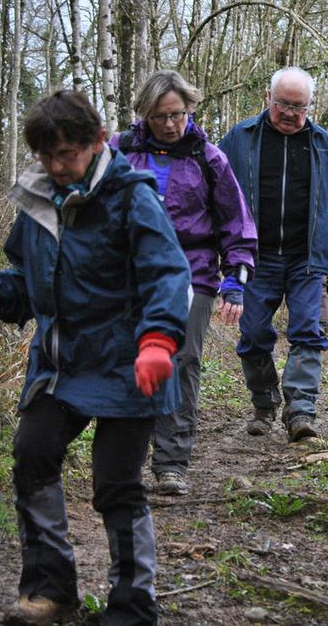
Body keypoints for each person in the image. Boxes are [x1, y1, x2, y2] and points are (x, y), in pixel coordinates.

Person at [0, 90, 190, 624]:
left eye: (67, 154)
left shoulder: (133, 196)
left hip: (131, 362)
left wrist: (157, 342)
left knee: (117, 482)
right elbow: (29, 283)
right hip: (62, 365)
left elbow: (167, 273)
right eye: (46, 156)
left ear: (95, 143)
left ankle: (133, 605)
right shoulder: (38, 200)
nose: (56, 167)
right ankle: (51, 590)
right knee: (33, 453)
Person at [112, 70, 257, 496]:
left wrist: (236, 278)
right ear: (145, 115)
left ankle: (171, 462)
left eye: (179, 114)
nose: (172, 124)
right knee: (128, 361)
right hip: (130, 274)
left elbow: (236, 224)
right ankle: (125, 457)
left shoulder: (209, 159)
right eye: (161, 117)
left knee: (181, 361)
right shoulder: (120, 152)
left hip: (192, 274)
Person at [219, 66, 328, 442]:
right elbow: (218, 197)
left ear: (310, 106)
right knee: (254, 333)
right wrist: (221, 254)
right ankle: (264, 404)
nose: (291, 113)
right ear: (269, 98)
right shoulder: (240, 138)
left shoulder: (324, 144)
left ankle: (301, 411)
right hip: (255, 258)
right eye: (284, 105)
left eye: (300, 107)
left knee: (308, 332)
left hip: (307, 258)